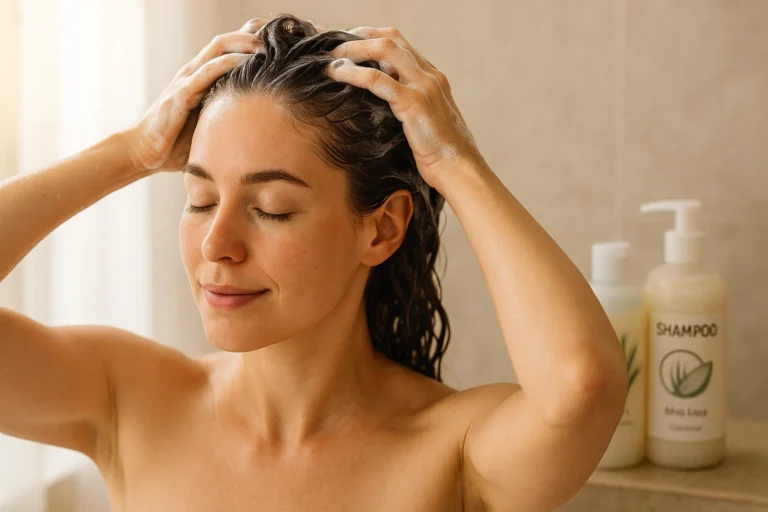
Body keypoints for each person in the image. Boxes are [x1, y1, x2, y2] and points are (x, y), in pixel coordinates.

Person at [0, 14, 628, 512]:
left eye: (271, 208)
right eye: (200, 199)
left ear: (381, 230)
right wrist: (130, 152)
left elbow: (581, 387)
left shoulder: (451, 449)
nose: (217, 243)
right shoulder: (130, 400)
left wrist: (455, 163)